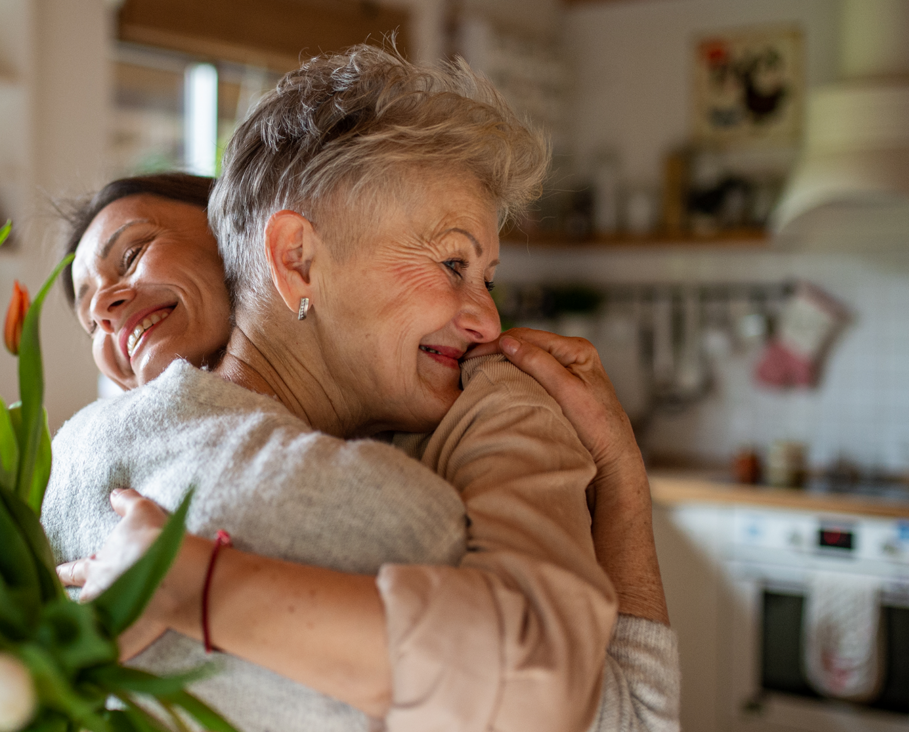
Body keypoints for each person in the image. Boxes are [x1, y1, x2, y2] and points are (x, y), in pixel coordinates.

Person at [47, 47, 677, 732]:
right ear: (296, 260)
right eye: (450, 262)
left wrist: (617, 475)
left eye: (483, 275)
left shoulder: (484, 400)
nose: (488, 318)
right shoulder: (387, 510)